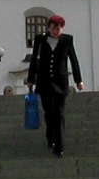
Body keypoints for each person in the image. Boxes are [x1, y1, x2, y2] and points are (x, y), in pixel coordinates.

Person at [26, 14, 84, 156]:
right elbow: (34, 60)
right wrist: (31, 79)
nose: (55, 32)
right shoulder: (40, 40)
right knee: (48, 113)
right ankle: (50, 135)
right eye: (53, 29)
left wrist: (78, 80)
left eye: (58, 29)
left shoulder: (67, 40)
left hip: (60, 81)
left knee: (59, 113)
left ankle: (59, 146)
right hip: (44, 81)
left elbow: (73, 60)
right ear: (49, 28)